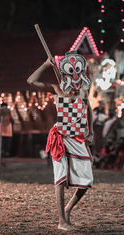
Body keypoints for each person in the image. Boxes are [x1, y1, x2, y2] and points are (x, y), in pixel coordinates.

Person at [27, 51, 94, 231]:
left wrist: (91, 131)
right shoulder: (57, 90)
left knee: (86, 181)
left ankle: (67, 209)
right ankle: (62, 221)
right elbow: (31, 81)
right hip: (60, 137)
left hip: (78, 137)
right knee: (61, 178)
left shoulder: (83, 91)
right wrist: (46, 64)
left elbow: (89, 111)